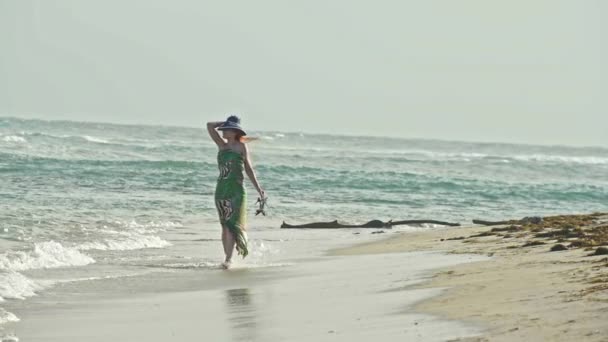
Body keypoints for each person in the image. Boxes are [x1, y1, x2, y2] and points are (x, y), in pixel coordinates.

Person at [207, 115, 265, 269]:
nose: (223, 132)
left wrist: (259, 189)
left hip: (237, 190)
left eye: (226, 129)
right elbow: (209, 125)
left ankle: (229, 259)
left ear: (234, 131)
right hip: (221, 189)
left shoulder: (241, 147)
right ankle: (227, 258)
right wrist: (224, 123)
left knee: (233, 224)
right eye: (223, 129)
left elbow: (248, 168)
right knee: (225, 224)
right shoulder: (221, 145)